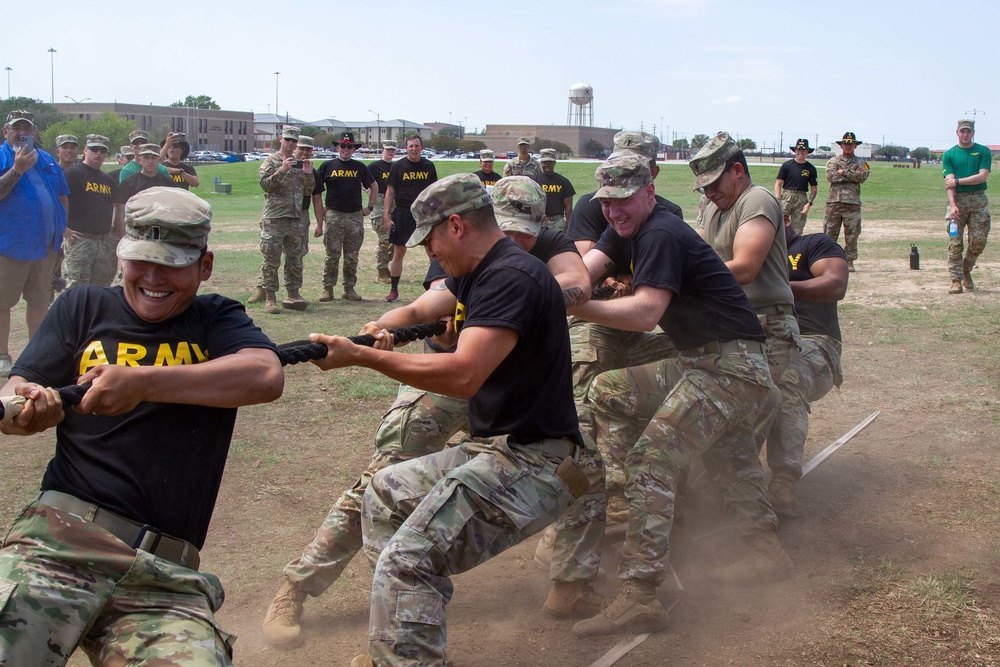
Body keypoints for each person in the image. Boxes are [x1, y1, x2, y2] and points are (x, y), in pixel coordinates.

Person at [261, 176, 596, 648]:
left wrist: (364, 357)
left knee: (409, 557)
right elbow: (427, 307)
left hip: (531, 457)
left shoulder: (513, 275)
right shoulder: (481, 269)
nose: (428, 253)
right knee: (382, 487)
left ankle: (408, 639)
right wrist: (379, 330)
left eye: (430, 240)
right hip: (496, 442)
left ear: (456, 225)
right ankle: (392, 635)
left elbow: (463, 375)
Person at [0, 186, 284, 666]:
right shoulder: (82, 306)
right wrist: (23, 408)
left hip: (163, 577)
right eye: (140, 261)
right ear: (121, 255)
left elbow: (265, 375)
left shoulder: (216, 318)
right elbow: (18, 390)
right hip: (56, 543)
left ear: (205, 265)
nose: (153, 278)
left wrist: (142, 382)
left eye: (171, 263)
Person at [568, 153, 789, 637]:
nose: (613, 211)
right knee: (608, 391)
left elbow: (647, 312)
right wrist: (552, 290)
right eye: (605, 202)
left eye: (624, 200)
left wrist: (577, 309)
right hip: (708, 362)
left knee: (653, 458)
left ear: (649, 192)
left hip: (733, 368)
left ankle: (642, 592)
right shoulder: (624, 229)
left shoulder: (661, 232)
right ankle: (761, 550)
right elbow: (584, 270)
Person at [690, 131, 802, 516]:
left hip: (768, 325)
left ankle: (747, 517)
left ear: (737, 170)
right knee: (728, 423)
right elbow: (698, 249)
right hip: (732, 326)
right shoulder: (713, 206)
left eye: (713, 184)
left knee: (747, 422)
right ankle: (723, 507)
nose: (707, 193)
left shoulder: (756, 200)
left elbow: (745, 267)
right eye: (702, 187)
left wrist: (682, 279)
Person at [769, 215, 849, 517]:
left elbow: (835, 284)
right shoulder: (747, 254)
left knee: (788, 378)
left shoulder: (812, 244)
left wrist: (780, 287)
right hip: (762, 341)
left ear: (786, 220)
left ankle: (783, 480)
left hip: (813, 342)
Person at [0, 110, 69, 379]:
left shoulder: (48, 159)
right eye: (16, 128)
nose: (22, 133)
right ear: (6, 132)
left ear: (35, 132)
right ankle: (2, 356)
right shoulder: (4, 156)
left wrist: (61, 229)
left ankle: (35, 356)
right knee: (2, 303)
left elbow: (62, 195)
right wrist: (17, 170)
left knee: (40, 302)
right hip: (10, 245)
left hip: (46, 246)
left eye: (27, 128)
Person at [251, 126, 308, 314]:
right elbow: (265, 186)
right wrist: (282, 170)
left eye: (294, 141)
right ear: (281, 139)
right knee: (271, 259)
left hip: (294, 219)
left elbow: (308, 190)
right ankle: (270, 297)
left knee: (294, 259)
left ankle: (293, 294)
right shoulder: (270, 162)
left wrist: (309, 174)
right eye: (288, 140)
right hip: (275, 218)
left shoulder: (299, 164)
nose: (291, 144)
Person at [316, 132, 377, 302]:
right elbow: (317, 192)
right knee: (332, 255)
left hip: (354, 217)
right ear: (337, 147)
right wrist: (321, 213)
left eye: (349, 146)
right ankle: (328, 289)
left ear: (354, 149)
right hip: (334, 216)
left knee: (352, 256)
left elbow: (373, 185)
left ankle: (349, 289)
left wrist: (370, 207)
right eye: (343, 145)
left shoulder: (359, 167)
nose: (346, 149)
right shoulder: (327, 166)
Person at [382, 134, 437, 302]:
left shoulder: (428, 166)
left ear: (422, 147)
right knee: (399, 251)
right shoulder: (398, 166)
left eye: (416, 146)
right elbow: (390, 191)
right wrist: (386, 215)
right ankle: (394, 290)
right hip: (403, 213)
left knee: (432, 251)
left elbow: (434, 190)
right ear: (406, 148)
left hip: (423, 214)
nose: (414, 149)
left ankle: (434, 290)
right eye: (411, 146)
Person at [62, 134, 121, 289]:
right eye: (95, 149)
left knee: (101, 290)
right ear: (85, 150)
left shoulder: (108, 181)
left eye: (103, 150)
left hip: (103, 242)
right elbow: (56, 200)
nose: (99, 153)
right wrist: (62, 227)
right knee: (75, 289)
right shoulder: (72, 174)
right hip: (80, 240)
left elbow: (114, 207)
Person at [943, 118, 991, 294]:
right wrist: (953, 205)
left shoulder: (982, 152)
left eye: (968, 131)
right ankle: (956, 280)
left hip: (978, 202)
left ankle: (966, 269)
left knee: (979, 241)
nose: (965, 134)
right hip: (957, 202)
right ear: (957, 132)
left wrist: (957, 181)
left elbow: (982, 176)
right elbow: (949, 184)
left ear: (973, 133)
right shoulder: (949, 155)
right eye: (962, 131)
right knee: (955, 243)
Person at [823, 131, 869, 272]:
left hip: (852, 204)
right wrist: (851, 175)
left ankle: (849, 261)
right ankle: (828, 260)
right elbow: (831, 177)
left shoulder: (862, 163)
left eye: (851, 144)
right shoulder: (833, 161)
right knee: (830, 232)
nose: (848, 146)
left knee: (852, 233)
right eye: (845, 144)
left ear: (855, 145)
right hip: (834, 202)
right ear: (841, 145)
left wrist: (844, 172)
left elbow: (863, 177)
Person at [290, 135, 324, 308]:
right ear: (295, 148)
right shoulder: (286, 166)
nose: (304, 152)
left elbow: (317, 199)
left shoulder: (313, 172)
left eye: (308, 149)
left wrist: (320, 224)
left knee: (299, 252)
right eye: (301, 148)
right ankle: (263, 289)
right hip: (280, 214)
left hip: (301, 215)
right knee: (271, 253)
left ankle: (294, 291)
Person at [774, 138, 818, 234]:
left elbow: (814, 189)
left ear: (807, 152)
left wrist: (809, 203)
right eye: (798, 150)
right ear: (795, 151)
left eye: (803, 150)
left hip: (801, 199)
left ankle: (794, 248)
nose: (800, 152)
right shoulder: (786, 165)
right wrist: (778, 200)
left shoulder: (811, 168)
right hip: (787, 196)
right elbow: (778, 184)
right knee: (780, 224)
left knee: (797, 229)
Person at [368, 140, 397, 284]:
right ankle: (381, 271)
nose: (390, 153)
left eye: (393, 150)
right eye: (388, 150)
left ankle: (386, 269)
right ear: (382, 150)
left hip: (394, 205)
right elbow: (365, 183)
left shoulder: (396, 167)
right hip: (380, 205)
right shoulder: (374, 167)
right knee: (384, 239)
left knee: (393, 241)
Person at [532, 148, 575, 232]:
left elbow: (568, 206)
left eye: (549, 162)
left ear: (554, 163)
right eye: (544, 162)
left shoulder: (563, 181)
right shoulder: (534, 181)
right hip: (539, 221)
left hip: (557, 222)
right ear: (541, 163)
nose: (547, 165)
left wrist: (569, 226)